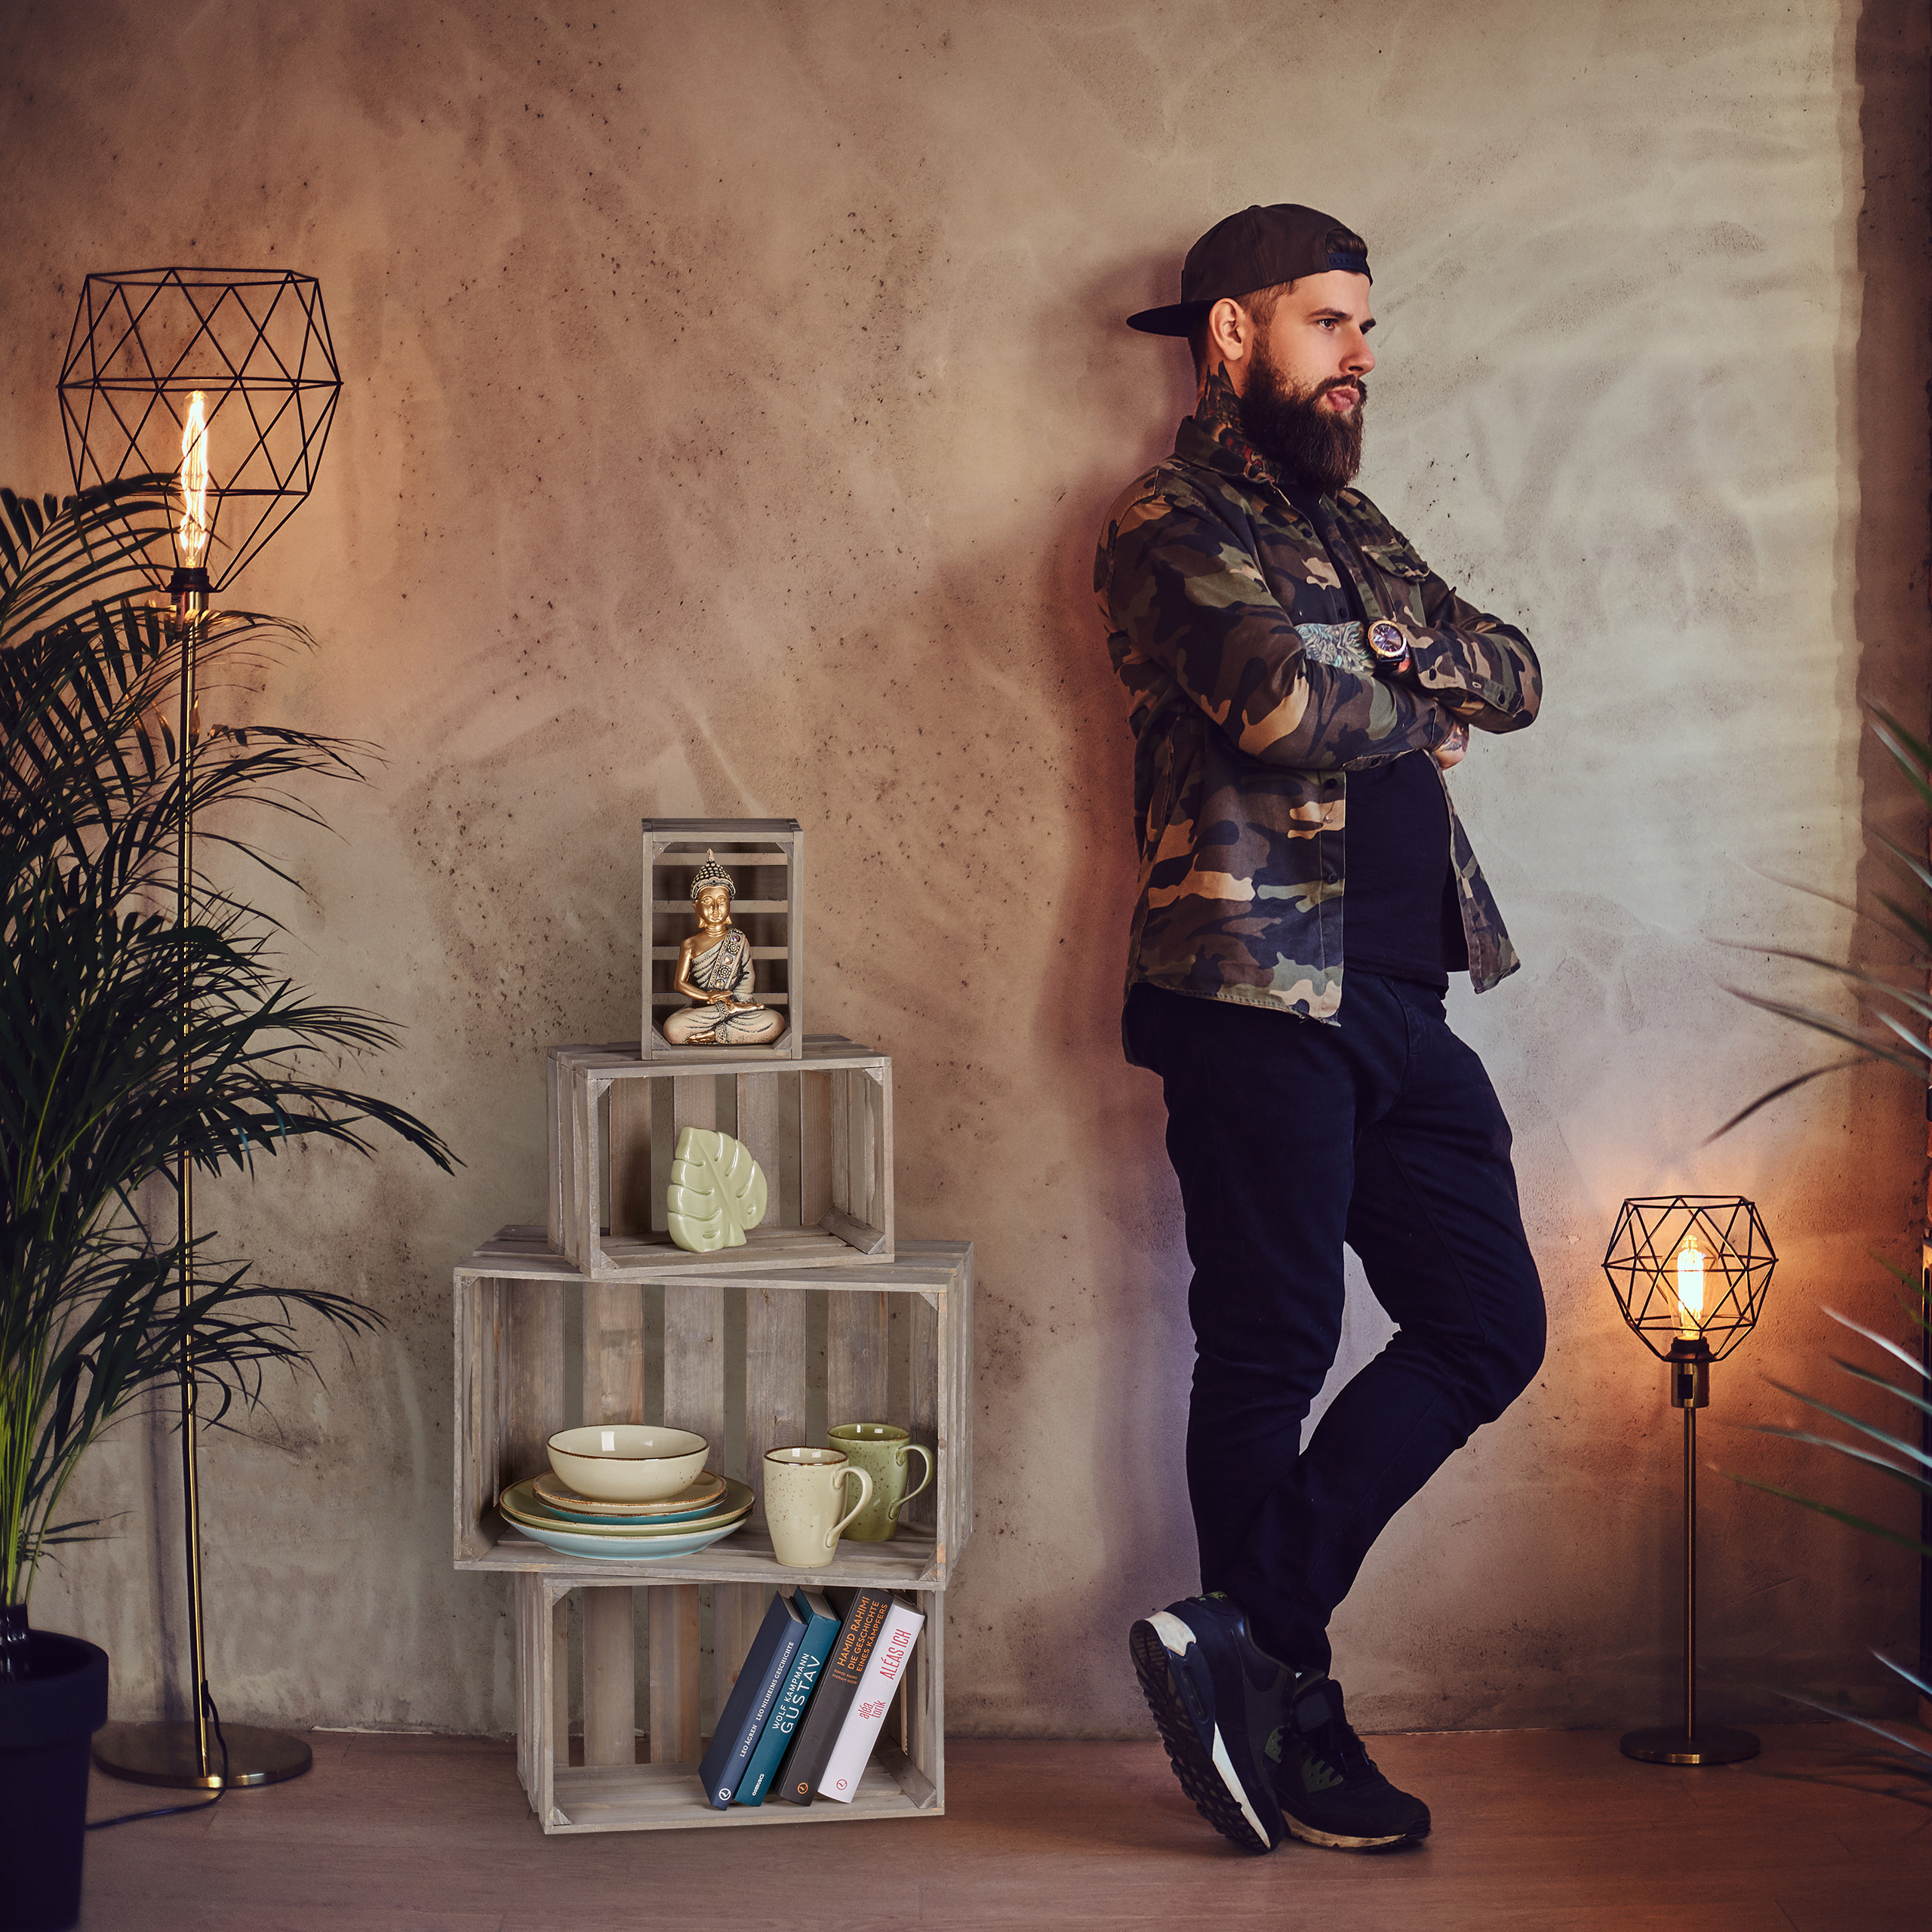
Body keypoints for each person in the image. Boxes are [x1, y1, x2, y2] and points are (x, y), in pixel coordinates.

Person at [1094, 204, 1546, 1857]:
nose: (1361, 354)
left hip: (1404, 998)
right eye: (1328, 322)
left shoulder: (1351, 527)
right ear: (1233, 334)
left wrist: (1386, 659)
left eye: (1366, 325)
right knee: (1268, 1352)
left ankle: (1245, 1632)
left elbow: (1518, 670)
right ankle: (1291, 1720)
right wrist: (1413, 690)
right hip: (1254, 996)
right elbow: (1277, 704)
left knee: (1485, 1323)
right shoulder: (1166, 519)